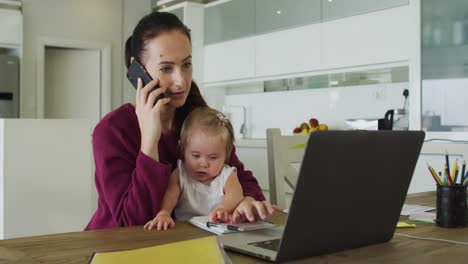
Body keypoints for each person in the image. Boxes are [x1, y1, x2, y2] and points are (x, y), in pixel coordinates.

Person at [85, 11, 278, 231]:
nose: (180, 81)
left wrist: (248, 201)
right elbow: (132, 223)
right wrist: (149, 141)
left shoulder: (197, 117)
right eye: (166, 68)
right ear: (137, 69)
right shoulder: (112, 131)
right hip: (115, 248)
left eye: (186, 65)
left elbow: (236, 175)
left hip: (183, 242)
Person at [144, 107, 243, 231]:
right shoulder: (181, 173)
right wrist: (164, 213)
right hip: (185, 231)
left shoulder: (226, 174)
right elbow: (170, 194)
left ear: (226, 156)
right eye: (196, 156)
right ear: (183, 150)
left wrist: (224, 208)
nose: (203, 163)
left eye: (213, 157)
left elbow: (236, 195)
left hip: (218, 229)